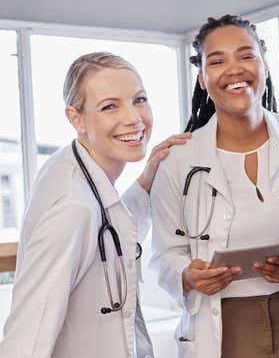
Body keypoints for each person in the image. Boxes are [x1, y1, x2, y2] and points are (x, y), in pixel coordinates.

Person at [150, 14, 279, 358]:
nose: (233, 69)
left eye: (246, 55)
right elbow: (164, 252)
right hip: (223, 328)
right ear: (202, 79)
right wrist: (188, 277)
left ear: (264, 65)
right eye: (217, 61)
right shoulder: (178, 159)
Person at [0, 52, 190, 358]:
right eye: (110, 106)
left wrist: (145, 181)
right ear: (76, 118)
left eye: (139, 99)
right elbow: (27, 338)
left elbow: (111, 231)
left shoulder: (71, 166)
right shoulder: (73, 207)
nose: (133, 117)